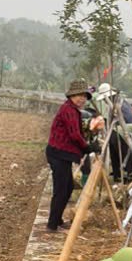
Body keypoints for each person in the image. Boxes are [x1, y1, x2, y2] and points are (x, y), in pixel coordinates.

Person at [44, 82, 103, 233]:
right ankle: (52, 224)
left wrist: (87, 144)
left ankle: (57, 220)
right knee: (61, 189)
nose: (82, 99)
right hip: (58, 153)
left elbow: (78, 134)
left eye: (84, 96)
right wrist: (88, 148)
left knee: (68, 187)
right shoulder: (68, 110)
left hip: (62, 154)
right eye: (79, 96)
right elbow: (74, 135)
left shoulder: (73, 110)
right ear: (71, 96)